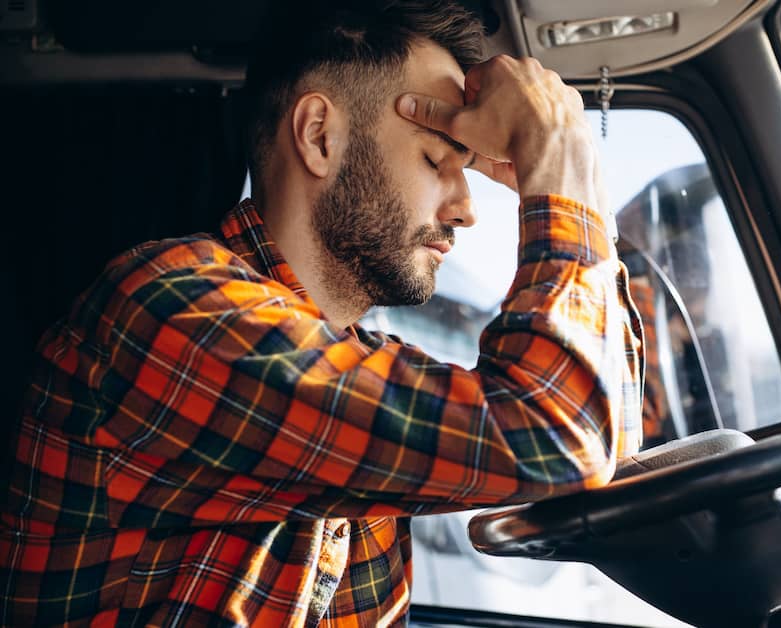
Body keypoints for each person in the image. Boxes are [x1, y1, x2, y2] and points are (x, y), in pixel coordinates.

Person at [0, 1, 644, 624]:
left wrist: (580, 187)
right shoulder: (171, 311)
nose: (466, 207)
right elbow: (559, 438)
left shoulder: (356, 358)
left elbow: (604, 434)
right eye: (435, 159)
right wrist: (556, 172)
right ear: (318, 137)